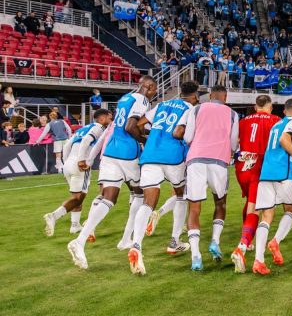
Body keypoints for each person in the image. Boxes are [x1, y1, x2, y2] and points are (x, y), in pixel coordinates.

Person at [67, 76, 157, 270]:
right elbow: (130, 127)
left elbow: (117, 125)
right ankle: (127, 238)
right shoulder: (141, 100)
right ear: (148, 87)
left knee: (109, 197)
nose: (155, 93)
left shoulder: (125, 98)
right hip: (127, 153)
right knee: (140, 194)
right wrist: (144, 139)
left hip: (110, 152)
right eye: (154, 89)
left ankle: (80, 241)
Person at [126, 81, 200, 275]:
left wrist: (147, 138)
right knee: (181, 194)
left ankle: (137, 244)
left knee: (148, 202)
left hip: (150, 155)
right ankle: (174, 241)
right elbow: (181, 133)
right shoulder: (191, 108)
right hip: (173, 156)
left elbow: (138, 123)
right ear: (194, 96)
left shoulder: (162, 104)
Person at [237, 98, 292, 275]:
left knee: (266, 216)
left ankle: (258, 260)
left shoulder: (277, 124)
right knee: (291, 209)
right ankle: (275, 241)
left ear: (284, 110)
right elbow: (286, 138)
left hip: (266, 172)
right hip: (284, 172)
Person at [181, 85, 239, 271]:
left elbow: (188, 137)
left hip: (196, 159)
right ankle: (215, 241)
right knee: (220, 202)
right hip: (219, 161)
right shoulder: (232, 114)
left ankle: (195, 255)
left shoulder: (197, 109)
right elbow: (233, 142)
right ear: (225, 96)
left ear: (209, 96)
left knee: (194, 207)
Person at [230, 95, 281, 271]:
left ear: (255, 106)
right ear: (270, 107)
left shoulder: (243, 121)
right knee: (256, 208)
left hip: (242, 166)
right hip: (259, 167)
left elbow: (234, 142)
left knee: (250, 202)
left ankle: (247, 242)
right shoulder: (275, 120)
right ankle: (241, 246)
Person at [43, 109, 111, 238]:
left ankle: (75, 226)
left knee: (76, 196)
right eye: (109, 117)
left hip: (69, 163)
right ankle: (53, 216)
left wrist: (66, 163)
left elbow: (67, 145)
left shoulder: (83, 128)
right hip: (80, 164)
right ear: (101, 119)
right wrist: (80, 160)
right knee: (79, 197)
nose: (110, 120)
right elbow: (86, 141)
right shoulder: (99, 128)